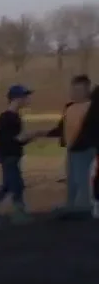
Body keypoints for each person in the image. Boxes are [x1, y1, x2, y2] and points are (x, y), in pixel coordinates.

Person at [0, 84, 40, 224]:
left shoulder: (7, 117)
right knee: (14, 185)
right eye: (25, 96)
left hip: (8, 155)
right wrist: (36, 135)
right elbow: (17, 138)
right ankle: (13, 214)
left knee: (12, 184)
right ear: (17, 99)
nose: (27, 99)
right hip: (9, 156)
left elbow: (10, 139)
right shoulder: (11, 118)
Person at [44, 75, 95, 218]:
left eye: (79, 90)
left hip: (86, 149)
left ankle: (84, 206)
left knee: (83, 178)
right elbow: (61, 129)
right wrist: (42, 133)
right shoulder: (69, 108)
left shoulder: (92, 107)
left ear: (87, 90)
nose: (75, 93)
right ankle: (71, 205)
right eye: (73, 89)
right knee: (72, 178)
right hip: (72, 149)